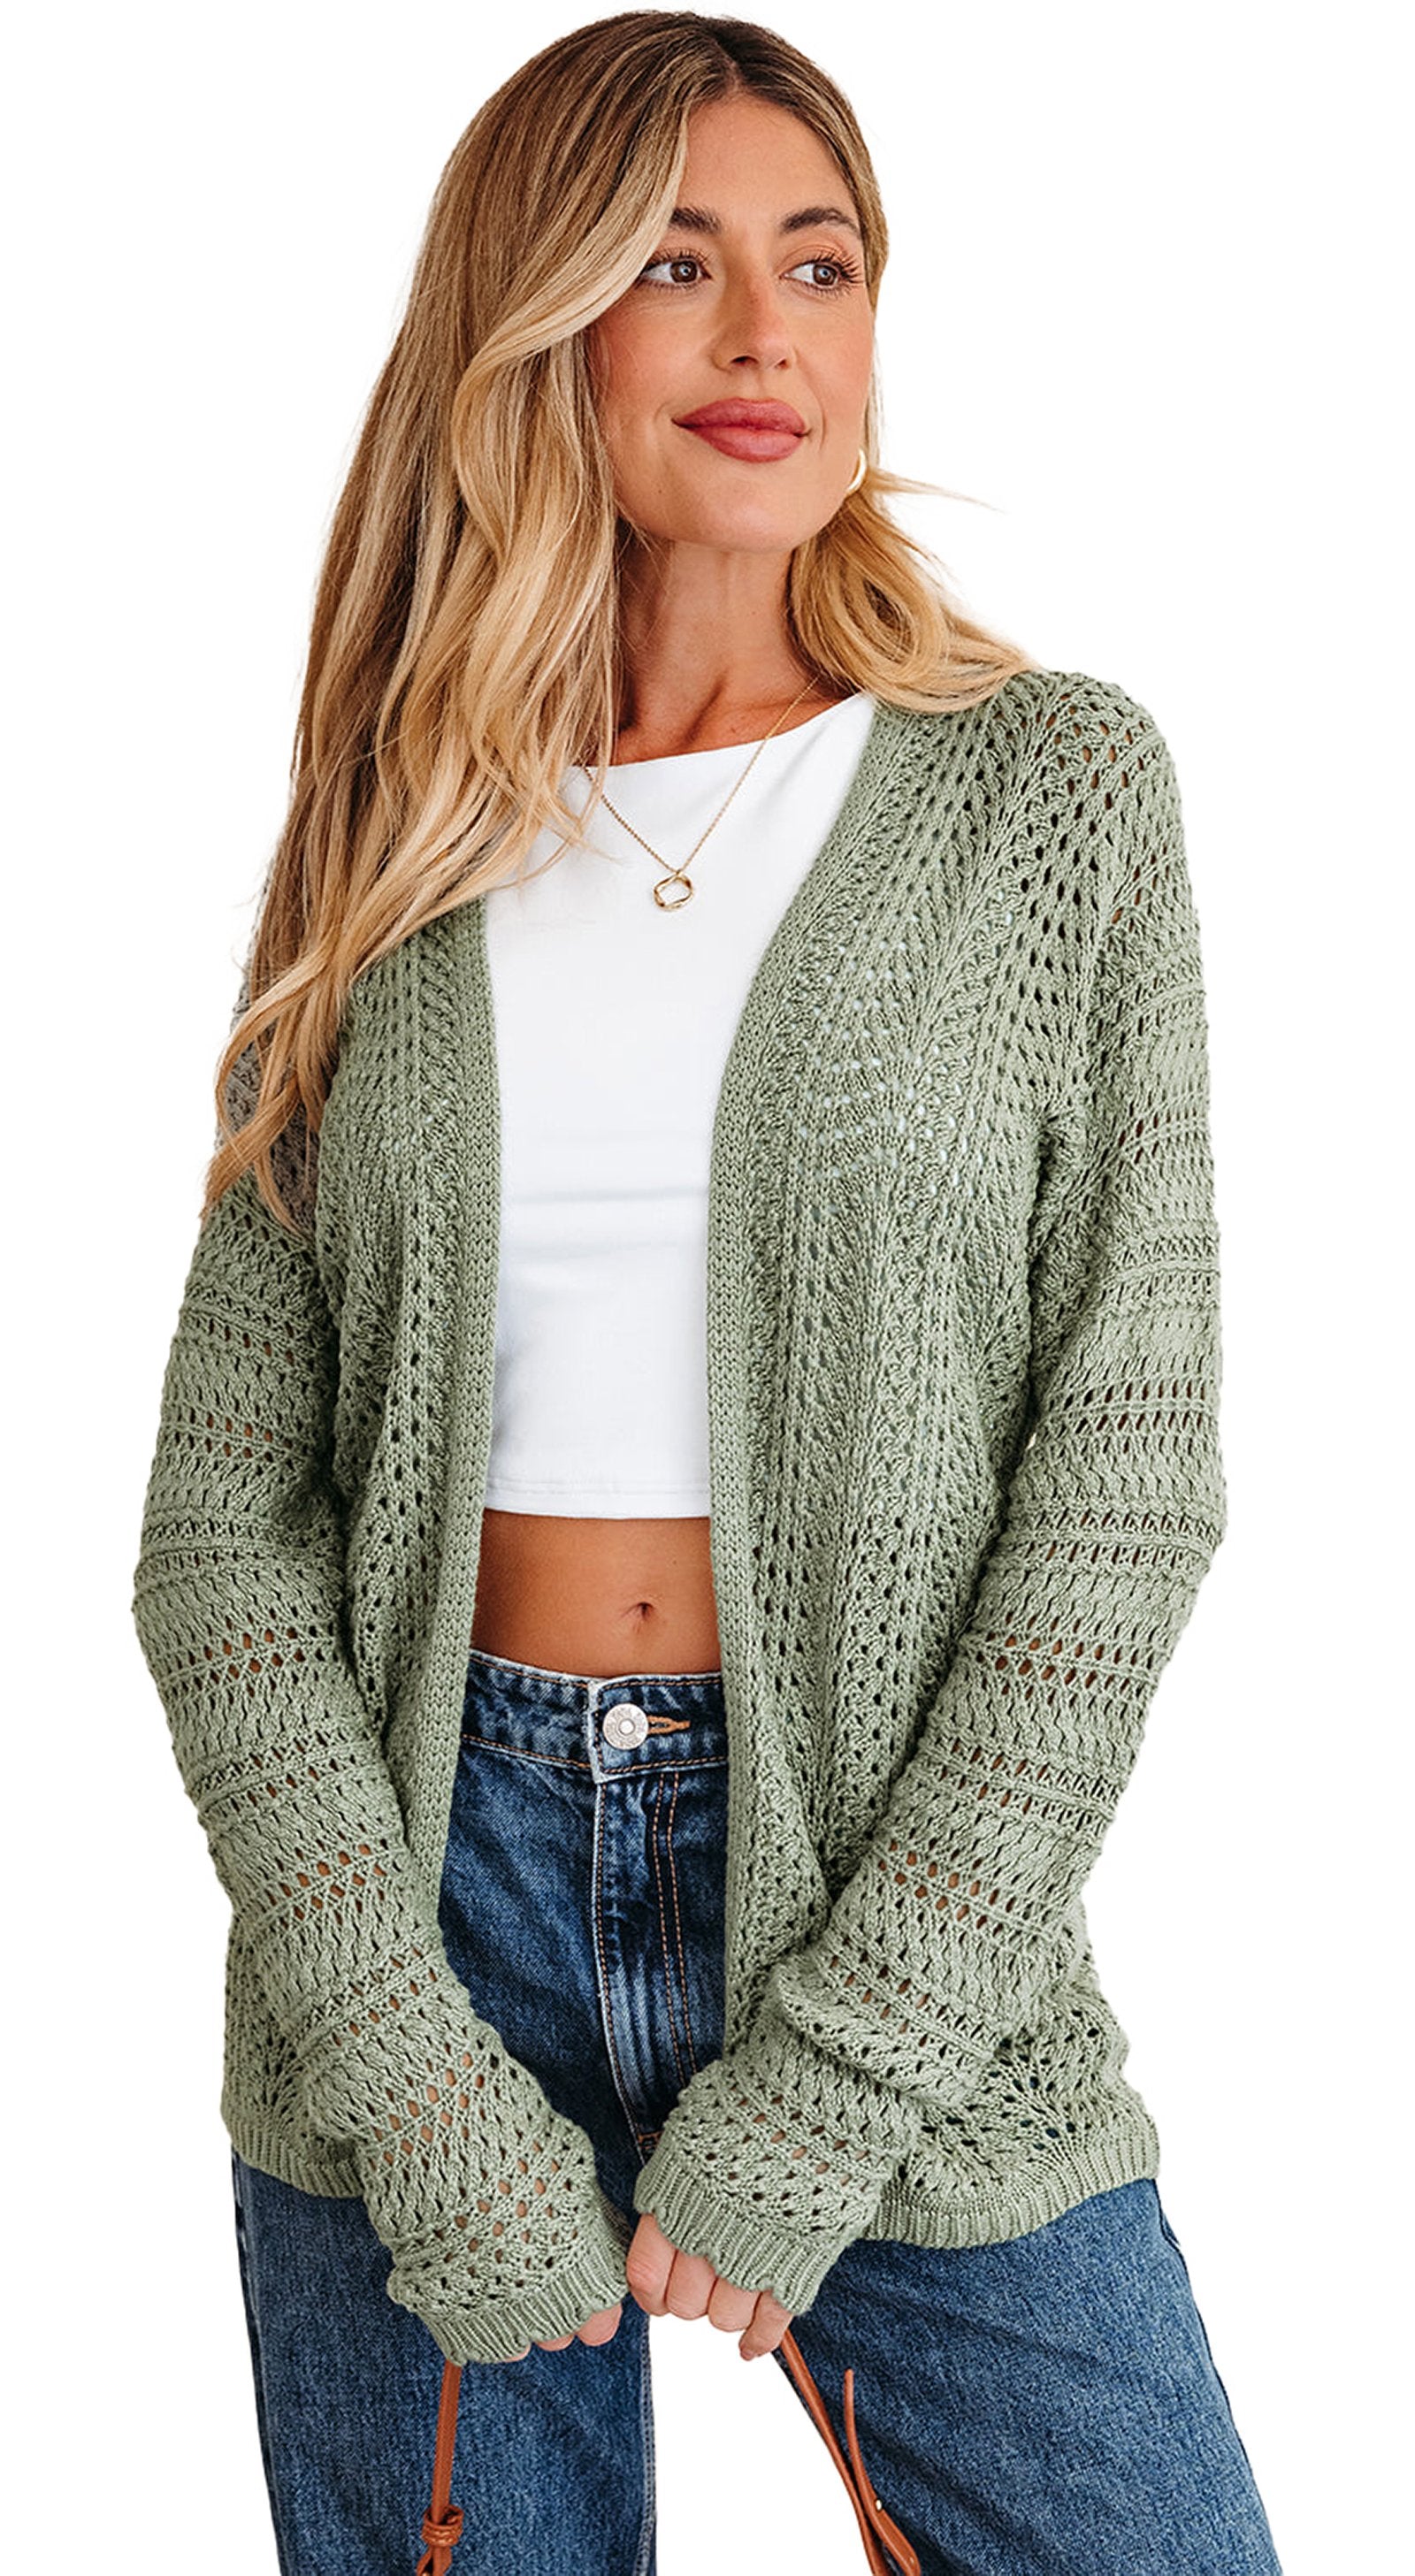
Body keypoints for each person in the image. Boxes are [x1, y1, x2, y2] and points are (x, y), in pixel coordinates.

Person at [131, 12, 1286, 2572]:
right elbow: (219, 1527)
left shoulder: (1051, 796)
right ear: (536, 322)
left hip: (894, 1906)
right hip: (420, 1903)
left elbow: (1126, 1480)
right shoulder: (397, 842)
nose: (768, 332)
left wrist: (844, 2068)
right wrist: (408, 2073)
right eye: (675, 264)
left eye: (821, 260)